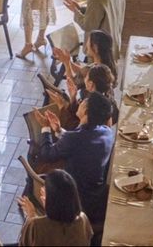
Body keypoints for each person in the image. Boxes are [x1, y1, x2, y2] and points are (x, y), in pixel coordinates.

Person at [34, 92, 114, 225]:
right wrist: (59, 130)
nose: (80, 102)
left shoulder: (73, 139)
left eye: (83, 101)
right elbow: (82, 143)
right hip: (96, 195)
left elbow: (47, 154)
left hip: (75, 198)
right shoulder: (107, 131)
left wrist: (46, 127)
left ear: (86, 111)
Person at [17, 169, 93, 246]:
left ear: (51, 200)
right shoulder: (83, 219)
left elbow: (23, 243)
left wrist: (31, 215)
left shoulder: (35, 226)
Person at [47, 63, 119, 130]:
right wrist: (73, 97)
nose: (84, 79)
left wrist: (61, 106)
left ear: (91, 84)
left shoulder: (94, 106)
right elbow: (78, 114)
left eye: (86, 77)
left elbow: (73, 128)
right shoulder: (107, 93)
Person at [54, 29, 119, 88]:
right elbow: (83, 72)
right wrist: (68, 61)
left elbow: (72, 84)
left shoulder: (95, 71)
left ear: (95, 48)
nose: (86, 45)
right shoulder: (107, 64)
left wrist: (66, 63)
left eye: (88, 41)